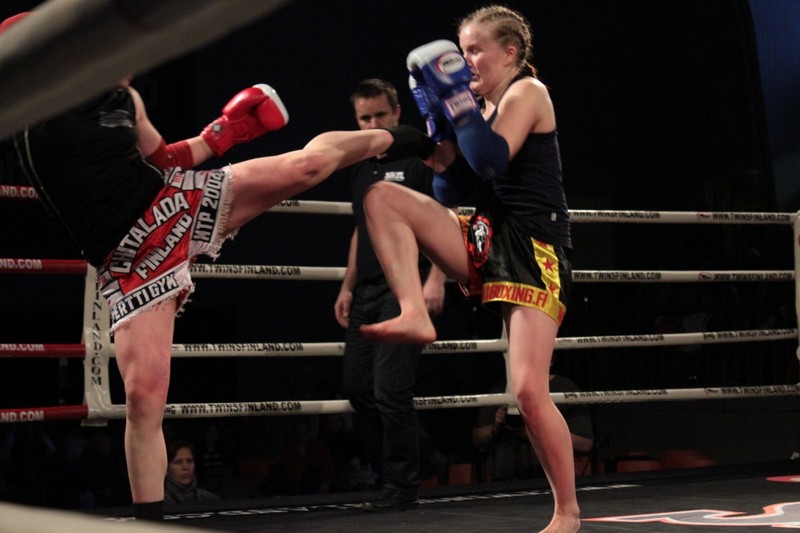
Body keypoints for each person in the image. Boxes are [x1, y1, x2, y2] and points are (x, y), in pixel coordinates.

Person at [2, 10, 432, 522]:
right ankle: (151, 521)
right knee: (143, 397)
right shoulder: (26, 112)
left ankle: (403, 138)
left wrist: (223, 134)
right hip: (129, 260)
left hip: (174, 203)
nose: (127, 62)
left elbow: (165, 159)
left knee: (306, 166)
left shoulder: (127, 101)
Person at [358, 5, 580, 531]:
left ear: (510, 52)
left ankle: (567, 512)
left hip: (534, 249)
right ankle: (413, 310)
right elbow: (451, 189)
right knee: (382, 196)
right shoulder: (479, 107)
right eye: (462, 51)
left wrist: (457, 105)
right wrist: (439, 127)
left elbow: (491, 161)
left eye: (476, 50)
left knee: (528, 392)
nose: (466, 60)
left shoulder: (528, 93)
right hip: (485, 236)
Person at [333, 78, 447, 512]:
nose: (373, 124)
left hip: (405, 289)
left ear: (397, 113)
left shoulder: (418, 160)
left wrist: (436, 279)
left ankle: (402, 484)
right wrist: (347, 285)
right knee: (357, 387)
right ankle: (422, 455)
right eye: (365, 118)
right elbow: (361, 229)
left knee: (390, 389)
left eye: (380, 115)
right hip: (366, 290)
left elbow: (446, 219)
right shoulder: (361, 168)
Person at [473, 374, 594, 481]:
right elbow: (478, 440)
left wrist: (531, 432)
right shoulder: (499, 390)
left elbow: (584, 443)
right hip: (503, 482)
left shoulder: (564, 388)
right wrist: (496, 426)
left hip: (550, 481)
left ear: (551, 359)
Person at [164, 439, 220, 505]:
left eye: (189, 461)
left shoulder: (210, 499)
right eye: (178, 462)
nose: (186, 467)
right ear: (166, 468)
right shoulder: (159, 502)